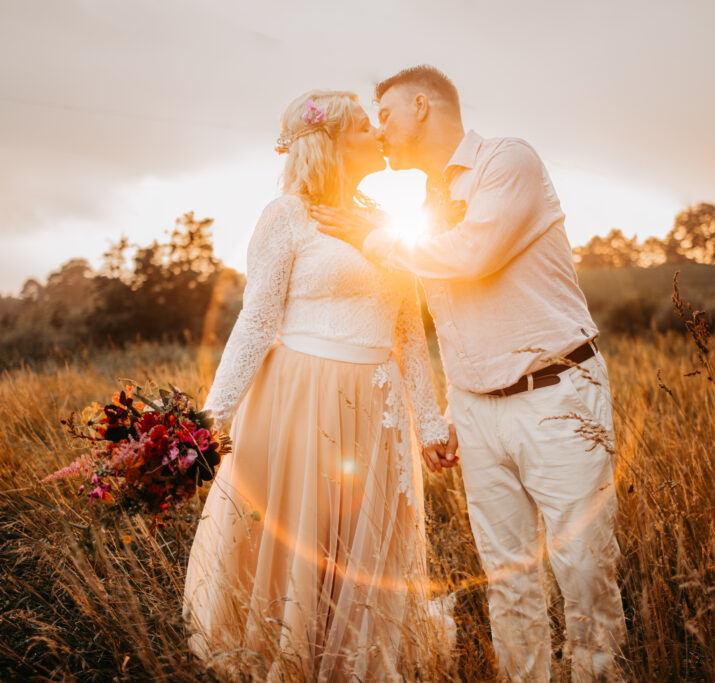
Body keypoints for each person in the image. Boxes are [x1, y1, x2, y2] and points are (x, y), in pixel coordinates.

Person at [313, 65, 627, 681]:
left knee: (584, 566)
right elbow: (456, 319)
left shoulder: (509, 162)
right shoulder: (426, 203)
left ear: (422, 106)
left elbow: (473, 257)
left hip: (557, 394)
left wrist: (373, 238)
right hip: (479, 410)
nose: (380, 132)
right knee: (507, 577)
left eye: (387, 115)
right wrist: (454, 410)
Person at [182, 90, 455, 682]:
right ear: (330, 142)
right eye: (362, 128)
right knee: (303, 541)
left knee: (360, 545)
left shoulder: (382, 224)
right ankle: (287, 657)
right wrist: (208, 422)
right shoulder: (285, 217)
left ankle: (354, 662)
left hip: (378, 408)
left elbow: (408, 331)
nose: (377, 137)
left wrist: (430, 422)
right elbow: (256, 322)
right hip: (300, 400)